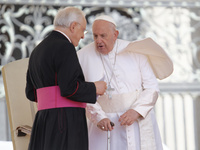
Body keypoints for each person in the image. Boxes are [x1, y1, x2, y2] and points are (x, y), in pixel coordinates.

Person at [77, 15, 172, 150]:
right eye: (95, 36)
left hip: (137, 120)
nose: (99, 41)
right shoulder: (83, 56)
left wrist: (136, 111)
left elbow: (152, 88)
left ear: (115, 34)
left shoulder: (136, 52)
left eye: (103, 36)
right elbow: (83, 92)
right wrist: (99, 117)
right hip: (105, 124)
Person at [25, 7, 107, 150]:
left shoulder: (37, 50)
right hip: (64, 122)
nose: (82, 36)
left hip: (43, 121)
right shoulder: (65, 47)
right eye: (83, 30)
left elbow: (31, 93)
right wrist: (95, 88)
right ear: (73, 26)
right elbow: (69, 88)